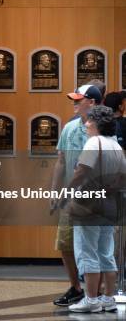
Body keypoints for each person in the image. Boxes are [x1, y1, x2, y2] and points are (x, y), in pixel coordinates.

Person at [66, 106, 126, 313]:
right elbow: (122, 177)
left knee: (86, 251)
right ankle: (108, 298)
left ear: (97, 123)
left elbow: (82, 170)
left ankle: (91, 299)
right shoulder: (115, 145)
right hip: (110, 204)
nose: (86, 124)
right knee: (105, 252)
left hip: (88, 204)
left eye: (89, 120)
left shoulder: (94, 142)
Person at [50, 84, 101, 306]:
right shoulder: (69, 128)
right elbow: (61, 161)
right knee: (65, 243)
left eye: (79, 99)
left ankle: (96, 292)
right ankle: (76, 287)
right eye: (74, 99)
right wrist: (54, 190)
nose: (74, 102)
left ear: (92, 102)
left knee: (95, 245)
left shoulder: (105, 129)